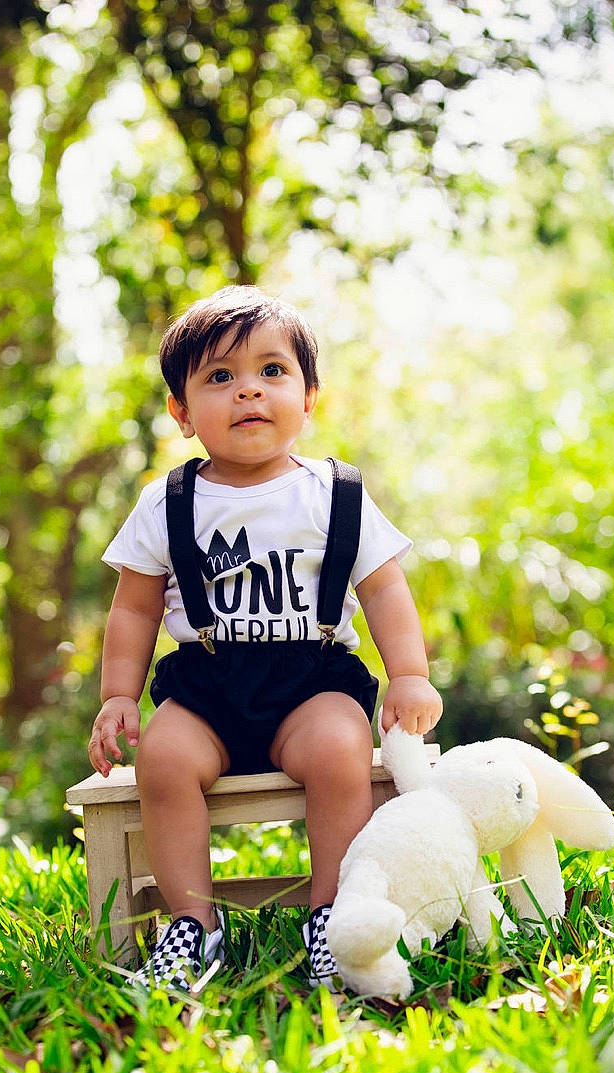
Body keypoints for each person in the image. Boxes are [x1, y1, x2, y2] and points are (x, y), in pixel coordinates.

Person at [88, 285, 442, 992]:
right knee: (163, 756)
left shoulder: (334, 493)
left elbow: (383, 588)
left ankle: (332, 916)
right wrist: (118, 695)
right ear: (182, 413)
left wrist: (408, 673)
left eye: (272, 372)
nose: (248, 391)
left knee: (340, 748)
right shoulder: (170, 501)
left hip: (311, 680)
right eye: (220, 377)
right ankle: (193, 926)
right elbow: (133, 609)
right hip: (207, 681)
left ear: (309, 397)